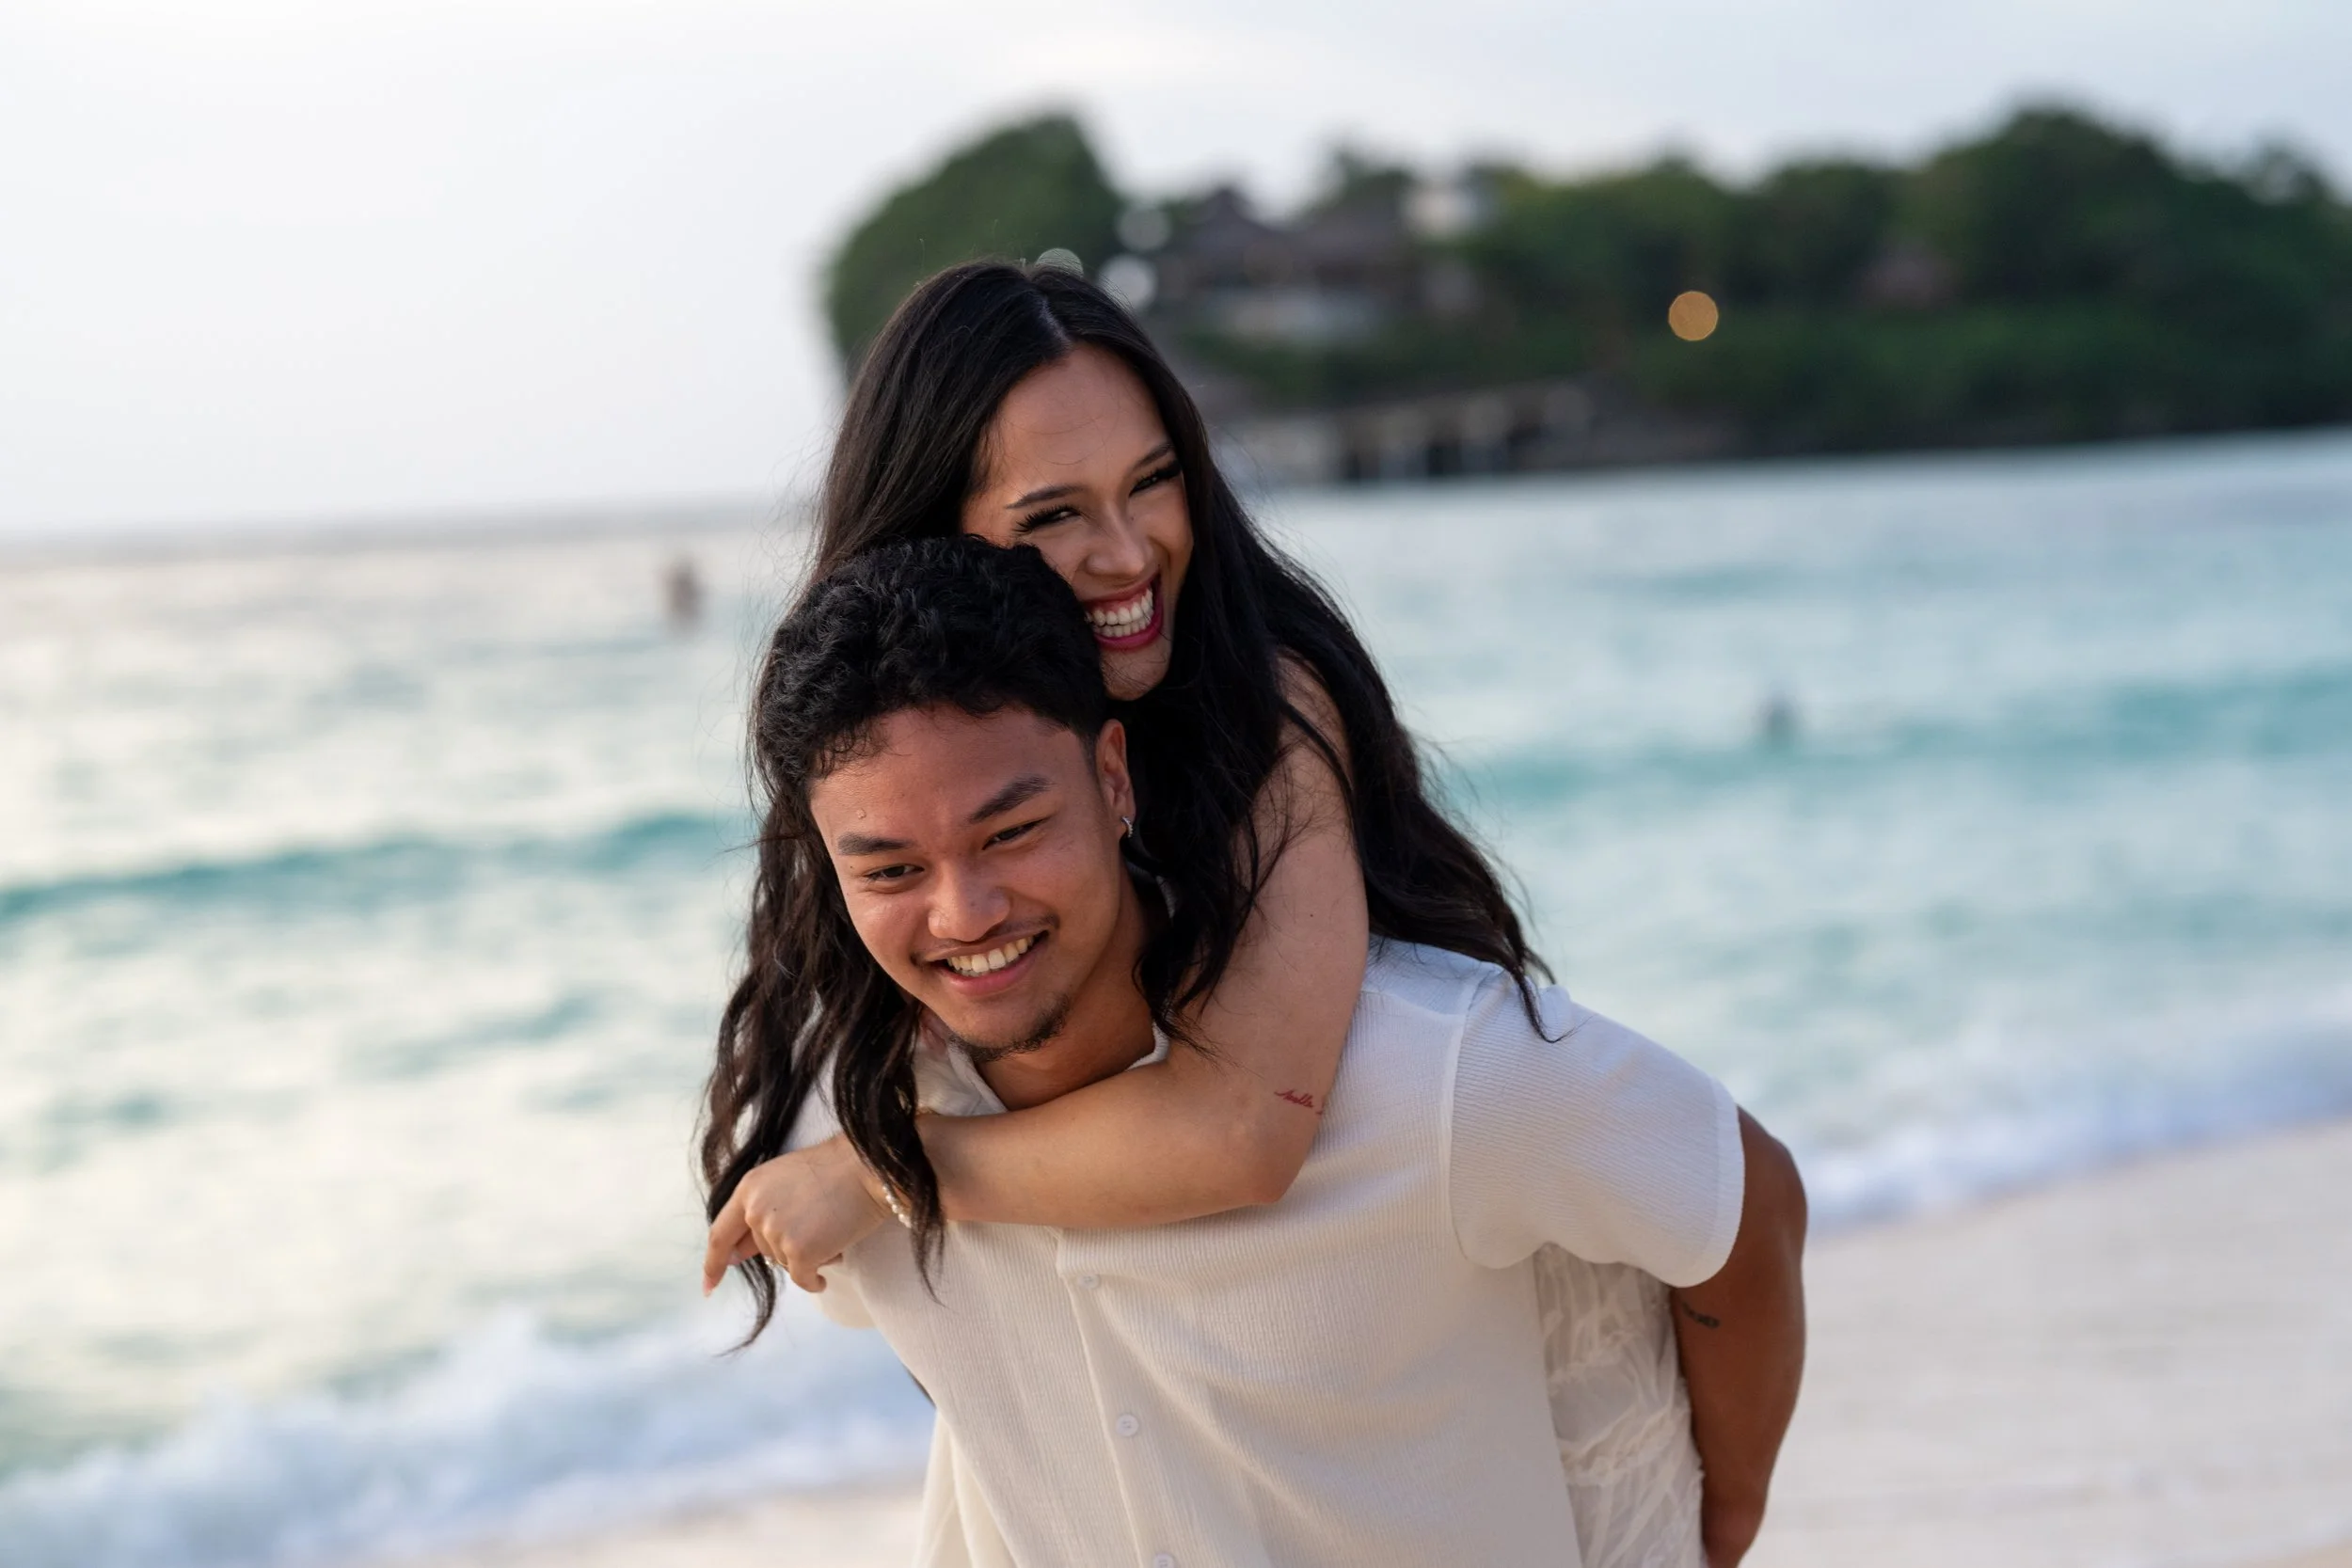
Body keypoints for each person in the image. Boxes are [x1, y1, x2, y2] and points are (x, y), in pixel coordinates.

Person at [701, 261, 1804, 1562]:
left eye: (1153, 481)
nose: (1125, 553)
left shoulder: (1262, 701)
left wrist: (887, 1169)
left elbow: (1245, 1128)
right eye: (1055, 512)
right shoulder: (901, 824)